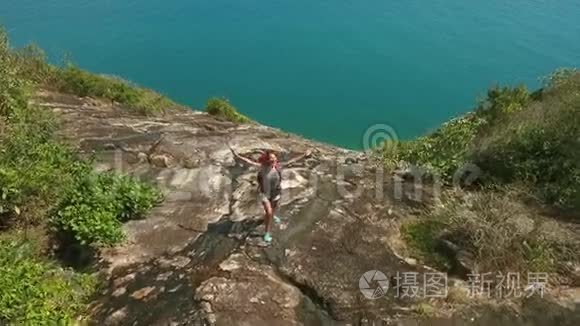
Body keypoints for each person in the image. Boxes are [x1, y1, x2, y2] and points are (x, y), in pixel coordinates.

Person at [230, 147, 312, 243]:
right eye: (270, 158)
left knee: (273, 210)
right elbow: (248, 162)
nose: (273, 160)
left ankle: (273, 216)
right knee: (268, 212)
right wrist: (237, 156)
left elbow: (293, 160)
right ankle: (267, 232)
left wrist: (304, 154)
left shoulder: (279, 166)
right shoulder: (262, 167)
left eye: (274, 158)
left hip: (275, 193)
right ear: (266, 160)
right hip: (264, 194)